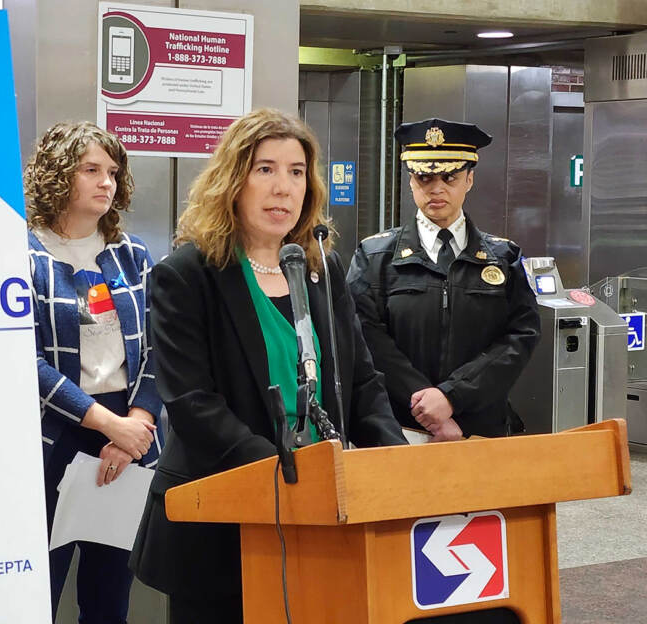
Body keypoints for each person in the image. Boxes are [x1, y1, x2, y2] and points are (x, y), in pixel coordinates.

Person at [128, 108, 407, 624]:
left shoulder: (321, 267)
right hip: (222, 524)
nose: (283, 187)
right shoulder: (187, 275)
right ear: (233, 180)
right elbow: (193, 404)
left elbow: (361, 382)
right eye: (266, 169)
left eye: (296, 172)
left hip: (325, 519)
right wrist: (290, 477)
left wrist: (399, 465)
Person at [25, 121, 163, 623]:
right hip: (56, 435)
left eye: (112, 171)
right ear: (60, 175)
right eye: (91, 170)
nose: (106, 182)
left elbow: (160, 349)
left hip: (129, 439)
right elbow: (25, 362)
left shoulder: (133, 256)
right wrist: (107, 425)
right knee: (42, 591)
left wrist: (137, 424)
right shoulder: (23, 254)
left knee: (109, 600)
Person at [347, 118, 541, 441]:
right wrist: (429, 406)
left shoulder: (503, 258)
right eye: (424, 177)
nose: (436, 188)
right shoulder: (374, 257)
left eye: (449, 177)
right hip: (397, 433)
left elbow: (521, 336)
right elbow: (365, 339)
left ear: (470, 179)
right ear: (410, 181)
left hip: (480, 433)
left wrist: (452, 396)